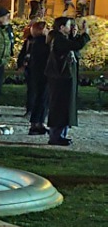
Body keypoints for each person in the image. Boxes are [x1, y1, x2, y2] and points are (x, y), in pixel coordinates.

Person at [45, 15, 90, 146]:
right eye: (69, 26)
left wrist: (75, 36)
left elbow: (71, 46)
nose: (71, 28)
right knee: (60, 107)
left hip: (63, 77)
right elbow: (75, 46)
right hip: (61, 78)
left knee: (64, 107)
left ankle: (61, 135)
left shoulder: (60, 38)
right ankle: (56, 136)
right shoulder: (58, 39)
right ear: (62, 27)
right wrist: (84, 34)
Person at [16, 19, 50, 137]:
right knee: (41, 98)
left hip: (37, 72)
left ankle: (38, 122)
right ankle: (36, 123)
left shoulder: (35, 41)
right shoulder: (40, 42)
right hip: (41, 73)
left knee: (41, 98)